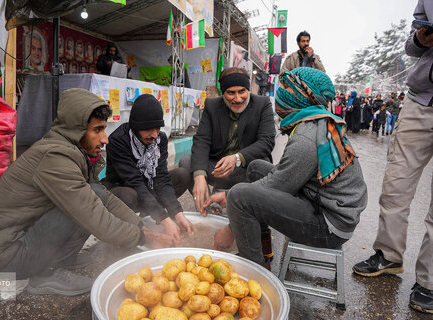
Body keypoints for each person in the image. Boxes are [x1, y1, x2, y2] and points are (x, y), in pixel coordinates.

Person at [0, 88, 174, 296]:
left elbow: (106, 197)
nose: (105, 139)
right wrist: (144, 239)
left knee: (96, 193)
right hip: (8, 254)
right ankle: (43, 275)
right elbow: (94, 216)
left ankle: (63, 258)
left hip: (23, 238)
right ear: (76, 130)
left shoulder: (72, 151)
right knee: (89, 202)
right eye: (97, 130)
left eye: (104, 129)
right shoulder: (55, 157)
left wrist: (141, 227)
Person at [203, 67, 367, 270]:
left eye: (285, 87)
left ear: (300, 94)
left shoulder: (308, 135)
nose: (279, 93)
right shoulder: (314, 121)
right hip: (321, 202)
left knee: (239, 197)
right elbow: (284, 174)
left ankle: (254, 271)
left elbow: (278, 185)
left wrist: (230, 222)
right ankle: (262, 246)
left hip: (328, 226)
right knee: (255, 168)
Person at [353, 1, 433, 314]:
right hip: (421, 100)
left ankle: (428, 281)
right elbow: (412, 45)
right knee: (395, 185)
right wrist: (420, 40)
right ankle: (389, 255)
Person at [179, 67, 275, 266]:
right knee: (187, 163)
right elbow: (202, 140)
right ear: (223, 93)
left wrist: (237, 158)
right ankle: (209, 206)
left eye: (242, 92)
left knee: (261, 166)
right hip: (218, 167)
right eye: (231, 93)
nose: (237, 98)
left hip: (245, 168)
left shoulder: (263, 104)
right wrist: (199, 177)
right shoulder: (212, 106)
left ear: (249, 90)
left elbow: (266, 142)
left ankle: (256, 230)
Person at [102, 94, 195, 245]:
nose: (154, 134)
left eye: (158, 128)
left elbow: (161, 177)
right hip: (123, 190)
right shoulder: (118, 140)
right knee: (128, 195)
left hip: (147, 188)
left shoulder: (160, 139)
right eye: (149, 129)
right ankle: (125, 231)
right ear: (136, 126)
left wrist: (177, 214)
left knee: (181, 175)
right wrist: (164, 219)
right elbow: (134, 182)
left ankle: (150, 215)